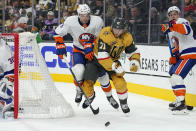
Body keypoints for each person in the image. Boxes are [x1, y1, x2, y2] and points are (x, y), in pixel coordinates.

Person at [53, 4, 119, 109]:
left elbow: (102, 38)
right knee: (78, 71)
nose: (85, 18)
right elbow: (57, 33)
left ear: (90, 14)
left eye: (87, 15)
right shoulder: (70, 21)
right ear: (78, 15)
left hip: (94, 52)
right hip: (78, 51)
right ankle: (79, 91)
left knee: (103, 76)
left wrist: (91, 44)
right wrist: (60, 44)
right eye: (82, 15)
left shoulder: (97, 21)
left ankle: (109, 96)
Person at [81, 17, 141, 114]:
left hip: (113, 60)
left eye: (120, 29)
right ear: (112, 27)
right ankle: (90, 97)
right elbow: (102, 57)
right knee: (86, 85)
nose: (117, 31)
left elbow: (133, 51)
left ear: (124, 29)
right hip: (96, 60)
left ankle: (123, 102)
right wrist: (115, 67)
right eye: (115, 28)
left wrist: (134, 61)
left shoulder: (127, 37)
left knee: (120, 83)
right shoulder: (105, 33)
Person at [161, 6, 196, 114]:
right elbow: (174, 45)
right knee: (172, 76)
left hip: (191, 53)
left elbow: (186, 30)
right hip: (182, 55)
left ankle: (182, 105)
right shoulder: (170, 30)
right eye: (171, 15)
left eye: (175, 14)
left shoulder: (182, 21)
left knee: (177, 76)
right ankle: (180, 100)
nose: (173, 16)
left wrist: (172, 26)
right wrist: (174, 57)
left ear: (179, 14)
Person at [0, 38, 14, 114]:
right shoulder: (2, 42)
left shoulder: (2, 51)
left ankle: (9, 101)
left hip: (11, 72)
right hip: (7, 70)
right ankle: (3, 100)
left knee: (6, 92)